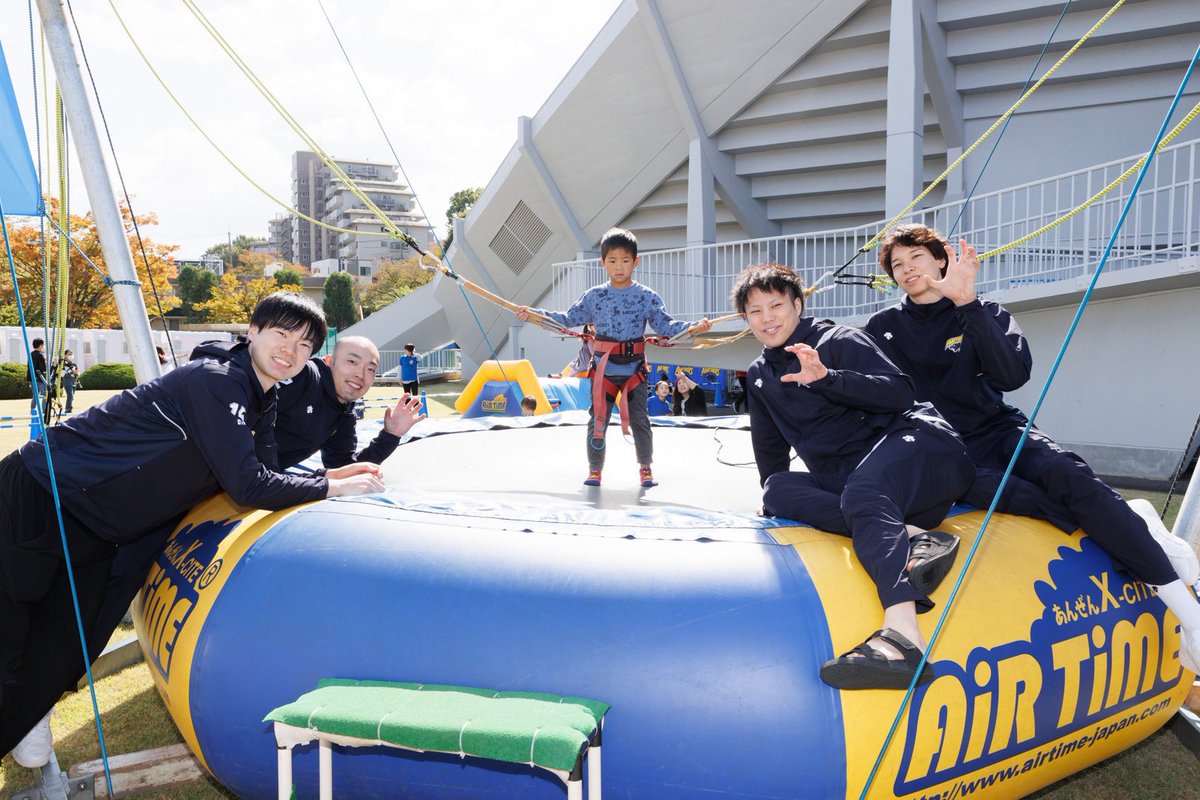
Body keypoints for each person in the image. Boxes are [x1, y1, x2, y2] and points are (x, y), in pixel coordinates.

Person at [1, 292, 385, 764]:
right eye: (281, 333)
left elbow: (266, 474)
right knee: (10, 629)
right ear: (253, 331)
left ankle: (23, 718)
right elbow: (248, 486)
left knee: (65, 644)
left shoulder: (263, 401)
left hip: (101, 526)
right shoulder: (216, 381)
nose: (290, 349)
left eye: (304, 344)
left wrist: (327, 478)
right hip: (43, 492)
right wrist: (331, 489)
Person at [864, 223, 1200, 672]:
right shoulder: (882, 328)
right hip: (943, 452)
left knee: (1070, 478)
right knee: (1031, 502)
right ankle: (1133, 516)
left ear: (941, 259)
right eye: (897, 265)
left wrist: (968, 304)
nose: (907, 271)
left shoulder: (981, 309)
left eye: (916, 259)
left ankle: (1192, 618)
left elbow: (1012, 376)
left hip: (999, 430)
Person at [734, 262, 973, 690]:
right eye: (755, 311)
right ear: (746, 319)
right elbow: (770, 448)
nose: (767, 318)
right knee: (779, 488)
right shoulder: (758, 375)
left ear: (798, 305)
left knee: (863, 492)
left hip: (921, 454)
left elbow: (899, 392)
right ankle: (914, 534)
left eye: (776, 305)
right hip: (864, 489)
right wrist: (773, 500)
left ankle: (903, 636)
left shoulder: (838, 340)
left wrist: (827, 378)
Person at [516, 228, 711, 487]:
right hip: (604, 371)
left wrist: (695, 327)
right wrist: (533, 315)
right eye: (612, 261)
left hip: (634, 372)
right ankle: (595, 470)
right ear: (603, 263)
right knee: (597, 420)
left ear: (636, 261)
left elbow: (667, 327)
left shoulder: (646, 297)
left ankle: (645, 468)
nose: (619, 267)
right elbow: (566, 320)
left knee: (641, 420)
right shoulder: (594, 297)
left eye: (625, 260)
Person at [26, 338, 47, 417]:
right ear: (41, 345)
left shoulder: (31, 354)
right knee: (45, 394)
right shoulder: (40, 355)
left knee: (35, 396)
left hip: (31, 378)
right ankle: (44, 411)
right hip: (40, 378)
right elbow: (42, 368)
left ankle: (33, 411)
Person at [58, 350, 78, 414]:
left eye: (72, 354)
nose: (71, 355)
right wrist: (72, 372)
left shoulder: (73, 364)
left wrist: (76, 374)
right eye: (69, 354)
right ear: (65, 355)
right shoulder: (63, 363)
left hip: (73, 381)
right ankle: (68, 409)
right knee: (70, 395)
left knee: (72, 396)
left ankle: (69, 408)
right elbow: (62, 373)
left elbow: (77, 372)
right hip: (67, 380)